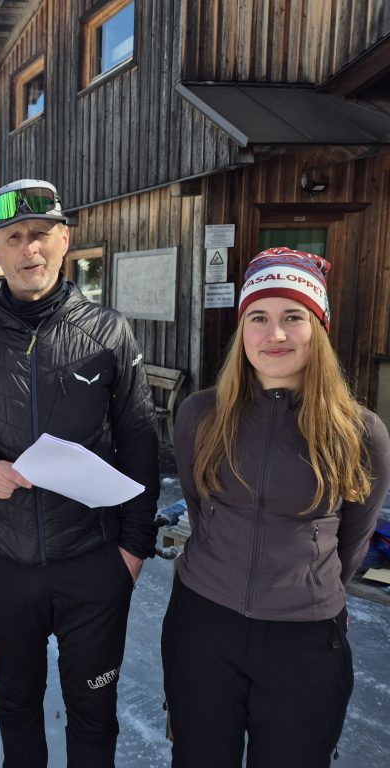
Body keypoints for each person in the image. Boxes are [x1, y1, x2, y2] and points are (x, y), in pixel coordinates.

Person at [0, 179, 160, 767]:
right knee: (16, 704)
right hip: (7, 561)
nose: (29, 248)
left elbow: (141, 441)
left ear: (64, 240)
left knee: (93, 712)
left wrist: (133, 550)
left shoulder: (107, 332)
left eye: (41, 234)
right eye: (13, 237)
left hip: (94, 560)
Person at [162, 248, 390, 768]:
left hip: (305, 641)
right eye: (258, 318)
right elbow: (200, 508)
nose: (275, 334)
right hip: (203, 626)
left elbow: (353, 540)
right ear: (242, 330)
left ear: (319, 329)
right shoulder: (201, 415)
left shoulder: (359, 432)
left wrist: (303, 586)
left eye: (293, 317)